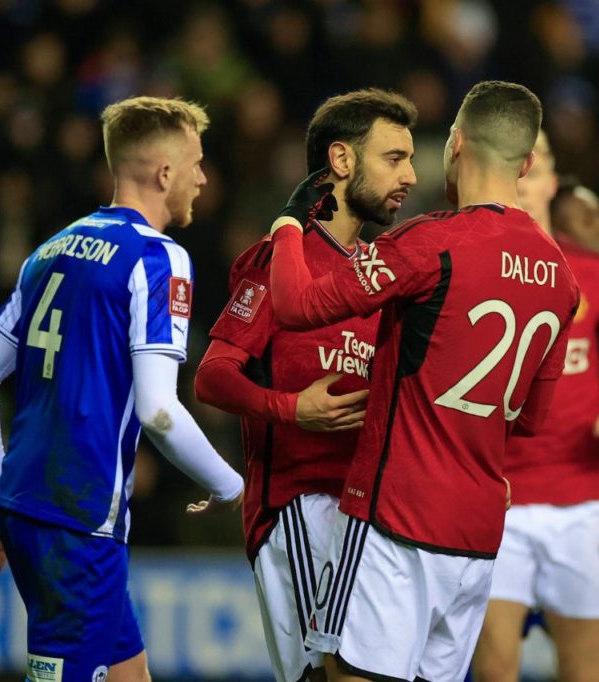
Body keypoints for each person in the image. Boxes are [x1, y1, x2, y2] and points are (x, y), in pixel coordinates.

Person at [268, 81, 580, 682]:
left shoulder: (430, 243)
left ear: (456, 144)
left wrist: (288, 221)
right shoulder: (562, 279)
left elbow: (295, 305)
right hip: (478, 536)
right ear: (529, 162)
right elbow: (532, 419)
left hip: (394, 519)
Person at [0, 96, 244, 682]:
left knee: (130, 674)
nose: (203, 177)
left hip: (25, 506)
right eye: (196, 163)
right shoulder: (158, 258)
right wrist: (234, 488)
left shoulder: (49, 251)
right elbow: (158, 410)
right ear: (164, 173)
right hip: (77, 520)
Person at [194, 89, 417, 682]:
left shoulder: (383, 271)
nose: (411, 176)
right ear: (342, 161)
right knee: (324, 675)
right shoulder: (282, 259)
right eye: (394, 158)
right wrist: (292, 409)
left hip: (368, 510)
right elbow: (213, 376)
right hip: (300, 502)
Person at [471, 137, 599, 682]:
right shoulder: (473, 269)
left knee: (588, 674)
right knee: (494, 671)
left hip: (581, 504)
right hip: (495, 502)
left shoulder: (590, 272)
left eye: (539, 164)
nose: (526, 177)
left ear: (555, 181)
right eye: (515, 167)